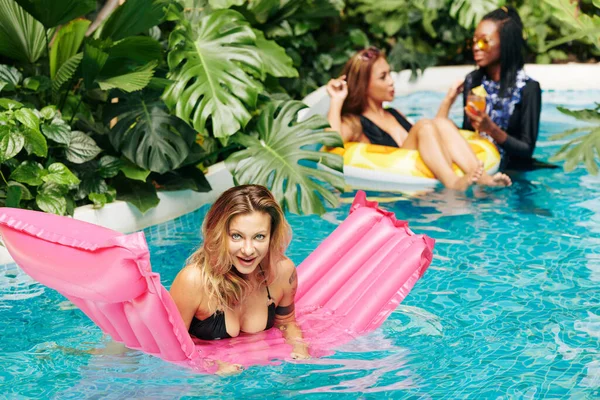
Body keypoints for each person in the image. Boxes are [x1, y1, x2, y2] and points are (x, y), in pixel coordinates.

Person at [326, 47, 511, 191]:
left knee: (439, 123)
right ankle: (453, 182)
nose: (391, 81)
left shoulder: (393, 113)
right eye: (383, 77)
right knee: (424, 125)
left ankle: (484, 178)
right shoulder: (355, 122)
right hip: (400, 189)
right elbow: (330, 141)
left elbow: (434, 135)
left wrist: (448, 100)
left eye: (390, 73)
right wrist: (337, 99)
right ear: (364, 85)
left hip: (421, 169)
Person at [170, 185, 309, 373]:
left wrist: (300, 348)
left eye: (259, 237)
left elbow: (286, 322)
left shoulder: (282, 272)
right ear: (218, 234)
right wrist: (209, 365)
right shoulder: (193, 281)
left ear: (271, 236)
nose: (248, 250)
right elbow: (171, 351)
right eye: (237, 236)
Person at [462, 6, 542, 169]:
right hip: (480, 168)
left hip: (515, 174)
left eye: (484, 41)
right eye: (474, 41)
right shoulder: (473, 81)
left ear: (505, 43)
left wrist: (491, 129)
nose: (476, 47)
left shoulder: (528, 89)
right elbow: (467, 134)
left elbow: (527, 149)